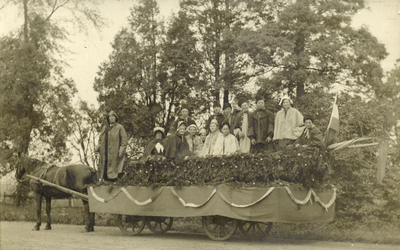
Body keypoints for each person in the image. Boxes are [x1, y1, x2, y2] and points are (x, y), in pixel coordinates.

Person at [96, 111, 128, 182]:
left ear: (116, 118)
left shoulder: (120, 127)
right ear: (108, 118)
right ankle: (105, 182)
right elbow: (100, 139)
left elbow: (124, 140)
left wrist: (121, 150)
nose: (112, 118)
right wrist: (98, 146)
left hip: (115, 152)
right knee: (104, 168)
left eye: (113, 117)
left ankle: (114, 182)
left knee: (115, 170)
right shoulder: (105, 127)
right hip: (105, 152)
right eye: (110, 117)